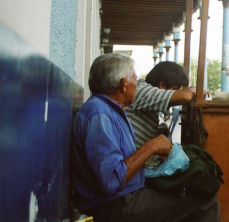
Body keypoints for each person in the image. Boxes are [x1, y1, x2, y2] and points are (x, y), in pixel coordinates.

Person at [71, 53, 220, 221]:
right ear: (124, 84)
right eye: (135, 78)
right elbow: (111, 181)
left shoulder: (110, 110)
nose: (138, 83)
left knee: (191, 187)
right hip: (115, 204)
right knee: (206, 200)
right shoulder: (100, 115)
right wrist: (151, 147)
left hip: (125, 194)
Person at [125, 61, 201, 167]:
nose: (175, 94)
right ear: (162, 85)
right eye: (174, 90)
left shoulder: (145, 95)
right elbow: (185, 96)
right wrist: (196, 90)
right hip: (127, 165)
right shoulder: (142, 91)